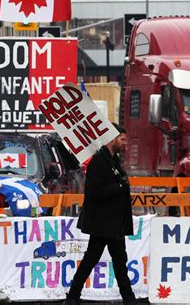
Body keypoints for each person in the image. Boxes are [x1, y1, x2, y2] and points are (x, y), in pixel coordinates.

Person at [65, 123, 136, 305]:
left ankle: (129, 299)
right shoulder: (99, 160)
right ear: (112, 139)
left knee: (120, 264)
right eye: (122, 139)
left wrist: (121, 184)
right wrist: (119, 185)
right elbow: (95, 192)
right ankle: (72, 297)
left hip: (115, 224)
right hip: (102, 225)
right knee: (91, 260)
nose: (125, 143)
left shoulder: (114, 160)